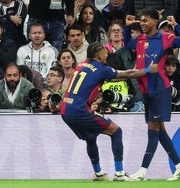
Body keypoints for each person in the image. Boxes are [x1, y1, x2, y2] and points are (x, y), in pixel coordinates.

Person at [60, 42, 158, 181]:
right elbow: (128, 73)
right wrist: (149, 70)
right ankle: (119, 174)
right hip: (78, 110)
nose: (107, 54)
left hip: (65, 109)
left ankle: (99, 173)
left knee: (90, 137)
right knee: (116, 131)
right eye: (105, 52)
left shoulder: (82, 64)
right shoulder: (102, 69)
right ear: (100, 55)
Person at [124, 8, 180, 181]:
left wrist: (176, 26)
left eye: (146, 20)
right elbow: (126, 45)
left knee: (153, 128)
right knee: (160, 130)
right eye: (141, 20)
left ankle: (142, 171)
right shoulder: (139, 39)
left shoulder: (165, 38)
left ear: (156, 21)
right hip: (146, 90)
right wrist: (127, 28)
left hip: (160, 89)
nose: (142, 23)